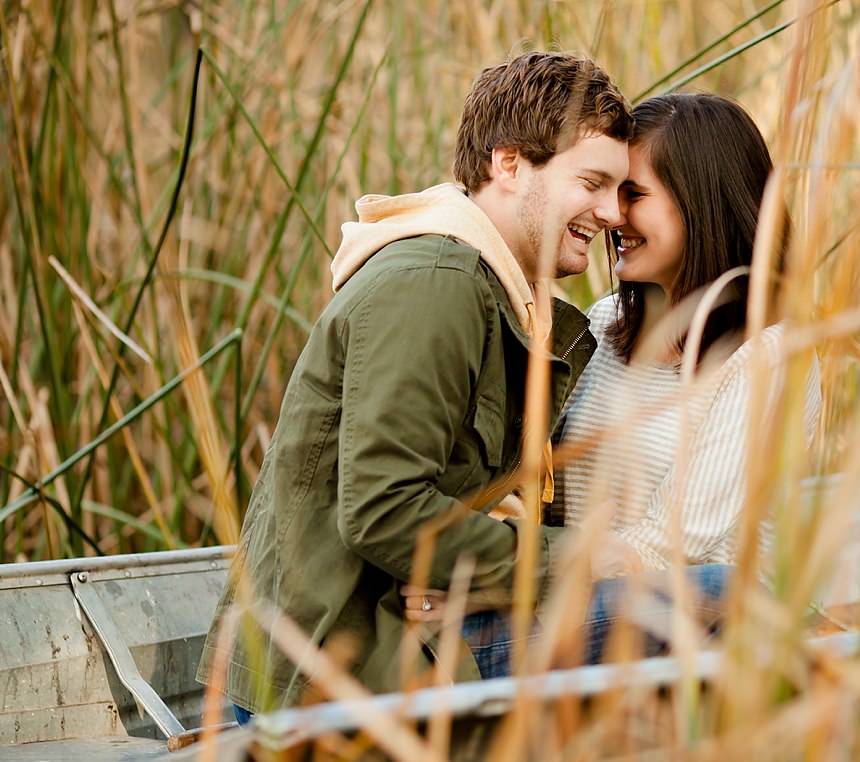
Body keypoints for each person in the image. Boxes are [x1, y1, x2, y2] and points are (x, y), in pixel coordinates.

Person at [197, 51, 634, 718]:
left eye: (621, 191)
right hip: (342, 674)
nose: (611, 213)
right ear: (509, 163)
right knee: (714, 599)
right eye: (593, 183)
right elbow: (385, 509)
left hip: (414, 642)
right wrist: (571, 561)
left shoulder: (506, 297)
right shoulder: (436, 283)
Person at [412, 93, 822, 679]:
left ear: (701, 204)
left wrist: (494, 584)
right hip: (585, 607)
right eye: (603, 190)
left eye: (633, 195)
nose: (609, 214)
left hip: (708, 632)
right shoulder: (604, 323)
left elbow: (673, 547)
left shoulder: (772, 356)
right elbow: (540, 493)